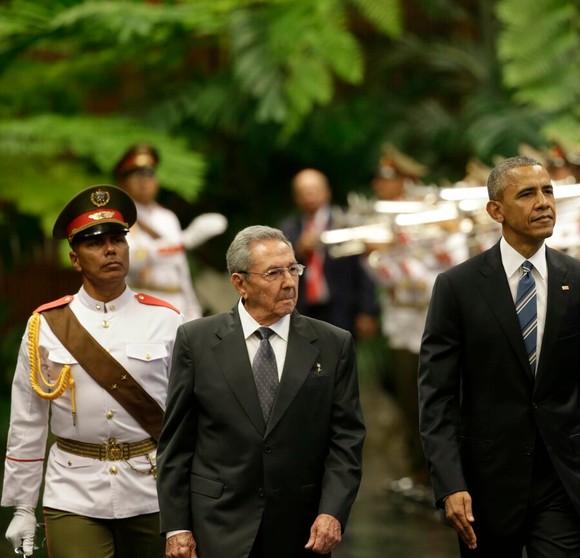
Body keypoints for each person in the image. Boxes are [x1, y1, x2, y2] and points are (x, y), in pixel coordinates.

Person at [418, 155, 580, 556]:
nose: (543, 203)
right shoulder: (457, 287)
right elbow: (437, 397)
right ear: (496, 211)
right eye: (527, 194)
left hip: (563, 480)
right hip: (486, 486)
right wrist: (450, 484)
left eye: (547, 192)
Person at [156, 225, 365, 558]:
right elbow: (177, 443)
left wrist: (332, 511)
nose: (288, 282)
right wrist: (177, 526)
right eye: (273, 273)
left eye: (292, 269)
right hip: (218, 525)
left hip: (302, 527)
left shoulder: (332, 343)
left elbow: (346, 439)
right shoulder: (197, 341)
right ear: (240, 282)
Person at [3, 184, 183, 557]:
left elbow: (188, 416)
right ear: (75, 258)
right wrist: (22, 506)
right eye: (95, 242)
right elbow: (28, 421)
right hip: (74, 489)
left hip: (151, 487)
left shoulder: (167, 320)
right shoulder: (47, 325)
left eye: (118, 239)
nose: (110, 249)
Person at [114, 144, 227, 318]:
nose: (145, 182)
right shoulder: (120, 217)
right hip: (142, 304)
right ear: (123, 183)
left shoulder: (167, 217)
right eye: (137, 177)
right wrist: (181, 243)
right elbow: (129, 259)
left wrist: (192, 309)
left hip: (176, 303)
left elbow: (180, 267)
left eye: (149, 175)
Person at [278, 169, 379, 339]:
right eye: (303, 192)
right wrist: (298, 250)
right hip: (303, 310)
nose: (309, 196)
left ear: (327, 192)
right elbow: (278, 271)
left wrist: (367, 310)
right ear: (295, 197)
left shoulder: (346, 221)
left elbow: (364, 269)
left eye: (313, 190)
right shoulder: (289, 229)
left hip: (342, 309)